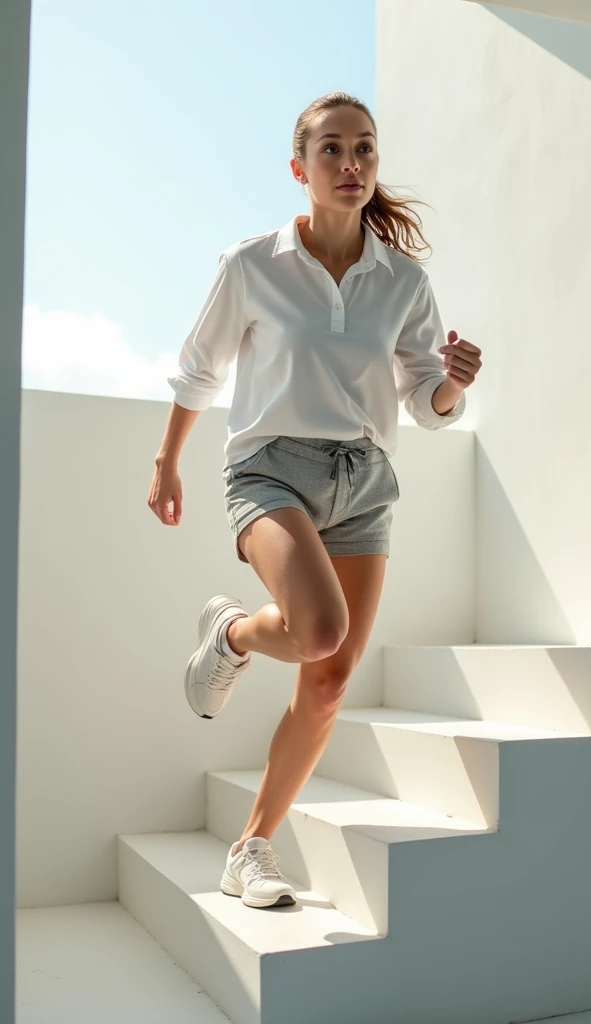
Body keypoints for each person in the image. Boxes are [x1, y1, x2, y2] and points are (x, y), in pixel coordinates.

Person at [147, 91, 482, 911]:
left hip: (366, 482)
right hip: (271, 469)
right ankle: (231, 632)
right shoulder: (252, 264)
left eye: (364, 149)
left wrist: (453, 391)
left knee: (329, 682)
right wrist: (167, 462)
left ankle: (250, 849)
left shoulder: (403, 280)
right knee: (319, 629)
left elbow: (424, 397)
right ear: (299, 168)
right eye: (331, 150)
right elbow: (199, 369)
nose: (351, 164)